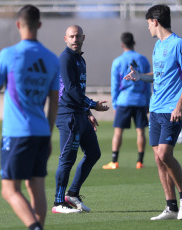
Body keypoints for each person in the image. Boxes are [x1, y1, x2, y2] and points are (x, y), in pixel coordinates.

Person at [0, 5, 60, 230]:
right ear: (39, 25)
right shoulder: (51, 59)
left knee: (9, 190)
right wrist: (48, 135)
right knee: (36, 186)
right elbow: (54, 102)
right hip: (41, 131)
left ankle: (35, 227)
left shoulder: (8, 54)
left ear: (18, 25)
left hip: (17, 133)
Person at [125, 4, 182, 220]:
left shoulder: (179, 44)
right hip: (155, 108)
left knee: (165, 154)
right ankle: (171, 206)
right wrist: (140, 77)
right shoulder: (158, 46)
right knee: (158, 158)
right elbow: (159, 75)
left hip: (172, 108)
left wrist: (179, 106)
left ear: (155, 21)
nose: (148, 28)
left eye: (148, 24)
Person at [52, 25, 109, 214]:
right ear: (65, 38)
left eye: (78, 36)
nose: (75, 39)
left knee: (94, 153)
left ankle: (73, 194)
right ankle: (58, 203)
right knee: (67, 158)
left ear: (83, 37)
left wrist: (87, 113)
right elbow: (71, 90)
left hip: (79, 114)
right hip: (67, 115)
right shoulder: (65, 59)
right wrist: (93, 105)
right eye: (71, 37)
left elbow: (79, 91)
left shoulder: (80, 60)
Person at [102, 32, 151, 170]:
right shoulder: (143, 60)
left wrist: (115, 103)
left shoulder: (117, 61)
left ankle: (114, 161)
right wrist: (147, 101)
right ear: (134, 43)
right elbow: (148, 83)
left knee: (118, 132)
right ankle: (140, 162)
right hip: (140, 101)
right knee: (140, 132)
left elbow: (115, 84)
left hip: (124, 101)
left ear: (122, 44)